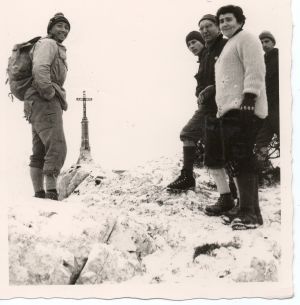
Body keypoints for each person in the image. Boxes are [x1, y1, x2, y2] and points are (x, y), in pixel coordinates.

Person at [205, 5, 268, 229]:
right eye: (221, 21)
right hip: (231, 111)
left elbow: (255, 69)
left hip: (245, 109)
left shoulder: (247, 39)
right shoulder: (229, 44)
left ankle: (249, 213)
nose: (224, 24)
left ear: (240, 20)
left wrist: (249, 99)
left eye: (228, 19)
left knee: (242, 158)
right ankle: (248, 210)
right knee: (237, 159)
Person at [167, 15, 237, 216]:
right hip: (211, 107)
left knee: (190, 134)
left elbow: (229, 75)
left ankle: (190, 177)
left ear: (217, 27)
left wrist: (210, 89)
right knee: (217, 149)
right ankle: (228, 192)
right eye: (189, 44)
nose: (192, 46)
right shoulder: (205, 57)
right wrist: (202, 92)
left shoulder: (222, 47)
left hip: (220, 106)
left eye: (208, 27)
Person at [23, 13, 71, 200]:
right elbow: (40, 69)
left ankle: (39, 195)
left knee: (40, 149)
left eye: (66, 28)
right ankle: (51, 194)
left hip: (35, 100)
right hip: (45, 99)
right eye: (60, 26)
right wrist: (49, 94)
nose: (64, 30)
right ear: (50, 28)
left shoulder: (47, 45)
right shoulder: (49, 44)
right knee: (57, 146)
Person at [256, 31, 279, 159]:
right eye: (261, 42)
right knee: (261, 142)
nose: (264, 44)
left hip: (278, 106)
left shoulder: (280, 56)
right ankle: (261, 172)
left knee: (286, 137)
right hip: (266, 108)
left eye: (266, 41)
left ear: (273, 42)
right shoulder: (261, 61)